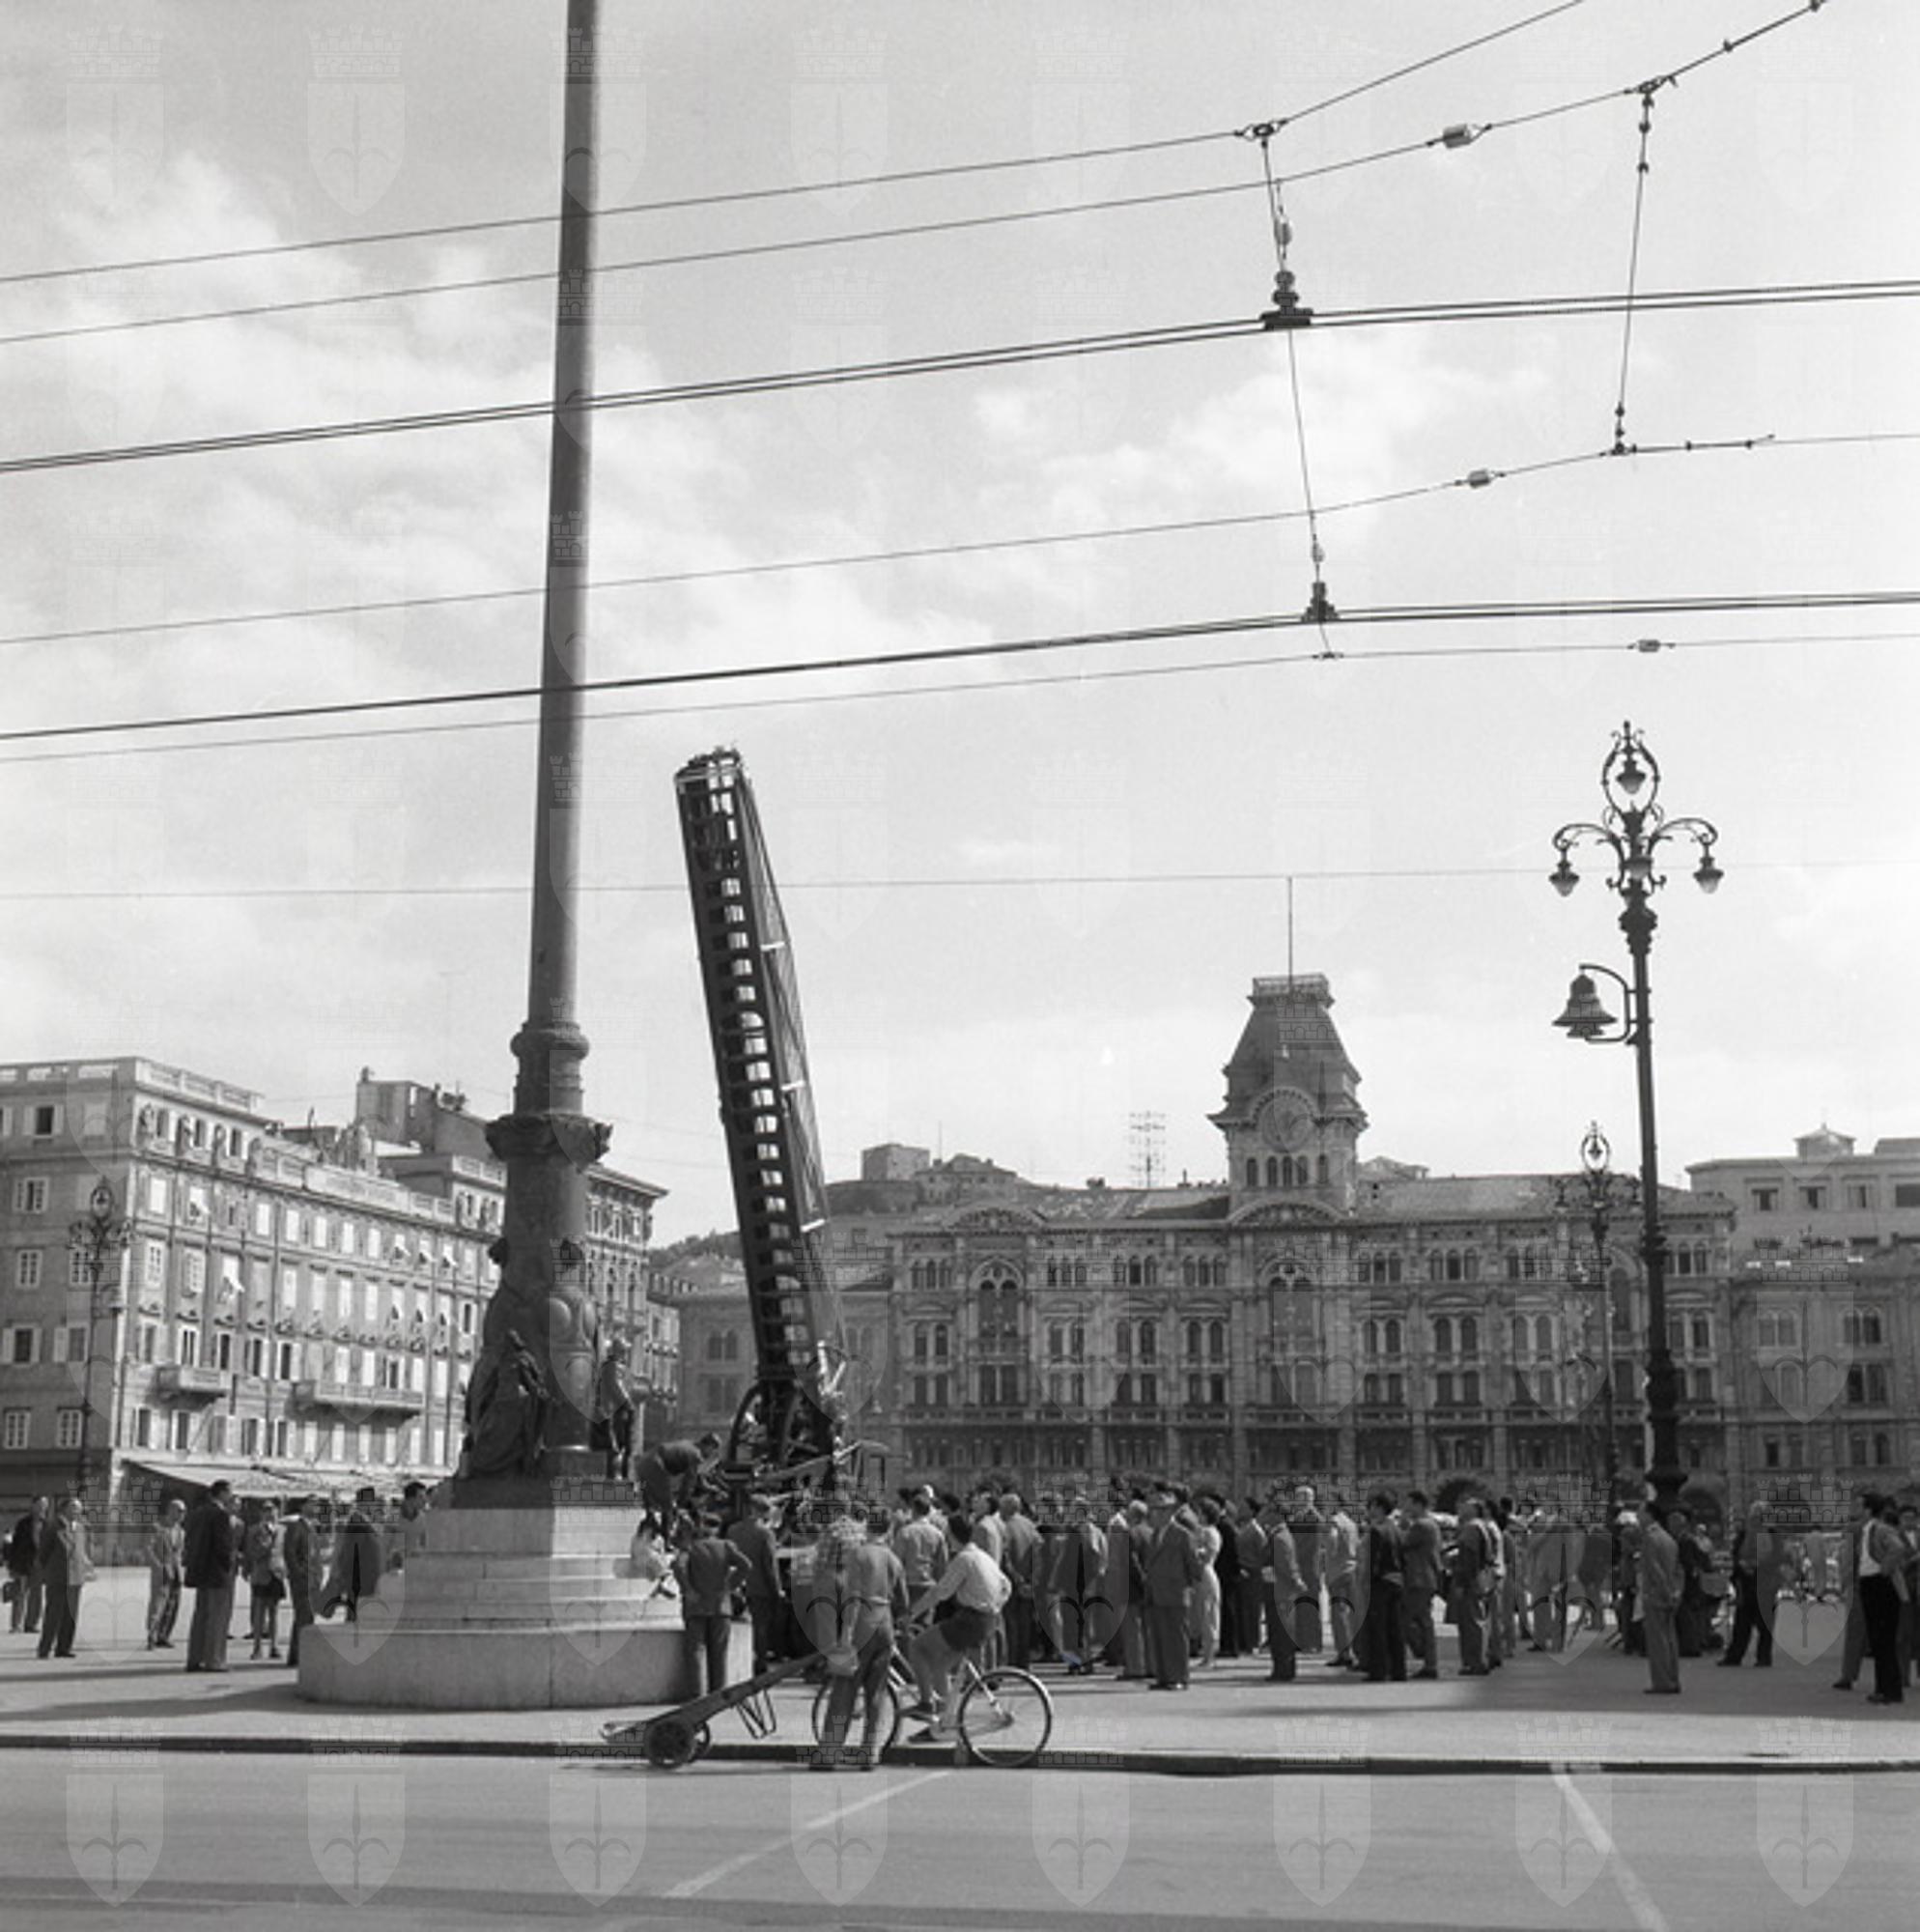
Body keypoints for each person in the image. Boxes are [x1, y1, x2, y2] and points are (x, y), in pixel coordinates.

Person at [813, 1506, 908, 1771]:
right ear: (889, 1529)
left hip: (861, 1625)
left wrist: (846, 1635)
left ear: (867, 1526)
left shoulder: (858, 1554)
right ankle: (870, 1752)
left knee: (843, 1692)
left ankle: (829, 1752)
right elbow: (903, 1601)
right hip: (885, 1624)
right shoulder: (893, 1559)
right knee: (876, 1694)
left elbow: (853, 1596)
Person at [907, 1519, 1011, 1740]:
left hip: (969, 1620)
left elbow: (941, 1592)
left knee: (918, 1647)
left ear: (951, 1536)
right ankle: (944, 1723)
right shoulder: (983, 1556)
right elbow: (1006, 1586)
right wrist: (993, 1607)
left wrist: (912, 1613)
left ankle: (926, 1704)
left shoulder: (963, 1559)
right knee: (940, 1667)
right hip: (987, 1620)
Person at [674, 1513, 749, 1700]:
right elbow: (746, 1565)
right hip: (720, 1605)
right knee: (719, 1652)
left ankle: (697, 1694)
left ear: (700, 1526)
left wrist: (688, 1589)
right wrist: (730, 1586)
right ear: (717, 1529)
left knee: (695, 1651)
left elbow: (678, 1566)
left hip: (696, 1606)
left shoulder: (691, 1547)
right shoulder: (726, 1546)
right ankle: (718, 1693)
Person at [1143, 1488, 1201, 1690]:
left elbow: (1193, 1564)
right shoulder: (1155, 1534)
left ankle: (1179, 1677)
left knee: (1176, 1638)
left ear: (1169, 1512)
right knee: (1159, 1637)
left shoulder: (1182, 1535)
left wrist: (1189, 1586)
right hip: (1157, 1592)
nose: (1154, 1514)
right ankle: (1163, 1676)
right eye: (1153, 1509)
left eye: (1159, 1510)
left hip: (1176, 1592)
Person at [1856, 1492, 1909, 1706]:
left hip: (1880, 1584)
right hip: (1870, 1583)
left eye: (1859, 1506)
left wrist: (1884, 1569)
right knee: (1877, 1640)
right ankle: (1884, 1687)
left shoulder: (1880, 1529)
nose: (1855, 1509)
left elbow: (1898, 1548)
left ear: (1869, 1510)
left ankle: (1890, 1690)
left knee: (1884, 1638)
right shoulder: (1867, 1530)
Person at [184, 1480, 240, 1673]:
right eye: (229, 1492)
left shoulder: (198, 1513)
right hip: (217, 1572)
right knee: (218, 1617)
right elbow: (223, 1546)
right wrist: (230, 1564)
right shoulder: (221, 1515)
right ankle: (214, 1660)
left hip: (200, 1571)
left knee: (201, 1615)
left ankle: (195, 1657)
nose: (231, 1496)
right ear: (222, 1493)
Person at [729, 1494, 785, 1675]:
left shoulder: (733, 1530)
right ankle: (760, 1663)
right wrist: (777, 1589)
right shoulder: (765, 1534)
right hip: (761, 1586)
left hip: (738, 1584)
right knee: (760, 1626)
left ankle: (741, 1661)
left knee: (741, 1624)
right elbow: (769, 1565)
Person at [1719, 1501, 1776, 1669]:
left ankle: (1763, 1657)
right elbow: (1736, 1554)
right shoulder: (1745, 1535)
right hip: (1747, 1583)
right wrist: (1740, 1567)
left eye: (1759, 1516)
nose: (1756, 1519)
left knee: (1763, 1624)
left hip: (1764, 1583)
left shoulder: (1772, 1535)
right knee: (1742, 1622)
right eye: (1754, 1516)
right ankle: (1735, 1656)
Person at [1358, 1491, 1406, 1683]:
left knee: (1377, 1628)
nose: (1368, 1510)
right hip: (1397, 1580)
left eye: (1370, 1506)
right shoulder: (1396, 1529)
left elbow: (1374, 1561)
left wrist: (1368, 1581)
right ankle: (1398, 1669)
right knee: (1395, 1627)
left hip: (1381, 1582)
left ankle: (1378, 1670)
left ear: (1378, 1507)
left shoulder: (1377, 1531)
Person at [635, 1434, 721, 1542]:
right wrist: (681, 1505)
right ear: (708, 1445)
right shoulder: (695, 1455)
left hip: (644, 1463)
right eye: (713, 1450)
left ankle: (647, 1532)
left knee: (653, 1505)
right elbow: (688, 1484)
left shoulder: (690, 1446)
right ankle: (667, 1541)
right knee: (668, 1507)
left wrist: (711, 1488)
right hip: (655, 1465)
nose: (712, 1454)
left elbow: (697, 1479)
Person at [1449, 1496, 1500, 1675]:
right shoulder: (1482, 1526)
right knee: (1478, 1619)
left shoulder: (1471, 1528)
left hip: (1471, 1580)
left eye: (1466, 1506)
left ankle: (1475, 1661)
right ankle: (1478, 1660)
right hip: (1482, 1578)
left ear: (1474, 1510)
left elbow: (1469, 1557)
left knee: (1471, 1622)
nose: (1461, 1508)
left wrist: (1462, 1581)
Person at [36, 1495, 91, 1659]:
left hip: (76, 1578)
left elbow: (82, 1551)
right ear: (64, 1509)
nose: (77, 1511)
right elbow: (43, 1553)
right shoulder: (53, 1527)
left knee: (70, 1615)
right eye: (73, 1507)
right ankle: (45, 1648)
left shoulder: (81, 1528)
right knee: (54, 1614)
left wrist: (87, 1568)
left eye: (79, 1508)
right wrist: (46, 1573)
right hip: (58, 1577)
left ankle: (64, 1648)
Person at [319, 1489, 384, 1622]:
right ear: (365, 1503)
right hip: (361, 1580)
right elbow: (351, 1552)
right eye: (373, 1502)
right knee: (356, 1618)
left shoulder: (363, 1521)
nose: (375, 1506)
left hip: (365, 1579)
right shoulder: (357, 1522)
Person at [1637, 1498, 1681, 1694]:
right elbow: (1677, 1570)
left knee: (1657, 1641)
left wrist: (1664, 1591)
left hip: (1655, 1594)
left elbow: (1655, 1569)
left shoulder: (1650, 1538)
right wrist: (1676, 1592)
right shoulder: (1668, 1538)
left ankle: (1662, 1681)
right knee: (1670, 1639)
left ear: (1649, 1515)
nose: (1638, 1516)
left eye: (1640, 1512)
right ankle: (1673, 1677)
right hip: (1670, 1593)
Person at [1260, 1493, 1306, 1682]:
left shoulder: (1280, 1537)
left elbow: (1286, 1564)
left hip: (1281, 1590)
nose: (1266, 1514)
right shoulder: (1276, 1535)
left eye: (1270, 1511)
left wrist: (1296, 1581)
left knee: (1282, 1632)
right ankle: (1281, 1667)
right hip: (1274, 1587)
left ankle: (1284, 1669)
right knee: (1276, 1630)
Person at [996, 1492, 1040, 1669]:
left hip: (1010, 1581)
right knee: (1025, 1622)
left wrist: (1017, 1579)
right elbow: (1040, 1552)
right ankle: (1024, 1660)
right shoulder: (1030, 1526)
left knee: (1010, 1622)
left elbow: (1005, 1557)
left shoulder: (1004, 1527)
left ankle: (1012, 1659)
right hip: (1029, 1580)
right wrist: (1032, 1578)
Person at [1400, 1490, 1443, 1679]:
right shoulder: (1431, 1524)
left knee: (1410, 1620)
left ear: (1418, 1504)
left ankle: (1425, 1656)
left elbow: (1402, 1543)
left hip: (1418, 1578)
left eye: (1409, 1503)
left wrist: (1402, 1525)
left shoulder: (1421, 1526)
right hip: (1427, 1577)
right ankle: (1428, 1660)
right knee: (1422, 1620)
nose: (1406, 1507)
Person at [244, 1501, 287, 1662]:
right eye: (266, 1511)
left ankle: (274, 1646)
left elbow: (285, 1551)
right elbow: (251, 1552)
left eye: (273, 1511)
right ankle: (257, 1648)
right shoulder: (254, 1530)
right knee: (259, 1611)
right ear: (261, 1514)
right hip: (260, 1573)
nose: (270, 1514)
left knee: (274, 1611)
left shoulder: (282, 1530)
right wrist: (267, 1547)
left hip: (277, 1574)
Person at [144, 1499, 186, 1650]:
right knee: (157, 1605)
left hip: (176, 1573)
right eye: (179, 1511)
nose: (182, 1514)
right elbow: (148, 1548)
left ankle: (164, 1636)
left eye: (183, 1512)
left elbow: (180, 1553)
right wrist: (157, 1566)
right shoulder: (157, 1528)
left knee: (172, 1605)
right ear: (170, 1510)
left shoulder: (181, 1531)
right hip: (161, 1572)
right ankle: (152, 1636)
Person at [595, 1339, 638, 1483]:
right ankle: (617, 1476)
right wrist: (628, 1404)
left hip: (616, 1410)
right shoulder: (613, 1366)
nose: (626, 1354)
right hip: (616, 1411)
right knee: (619, 1444)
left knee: (621, 1444)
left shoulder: (613, 1366)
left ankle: (619, 1475)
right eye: (624, 1351)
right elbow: (616, 1387)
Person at [282, 1497, 318, 1668]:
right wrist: (298, 1572)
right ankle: (300, 1655)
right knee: (304, 1615)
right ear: (303, 1506)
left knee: (306, 1616)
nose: (316, 1507)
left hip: (312, 1578)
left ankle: (299, 1653)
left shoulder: (312, 1527)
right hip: (302, 1578)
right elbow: (289, 1552)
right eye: (313, 1504)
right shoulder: (297, 1526)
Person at [8, 1496, 48, 1634]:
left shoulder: (48, 1524)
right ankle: (16, 1625)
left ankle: (31, 1624)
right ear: (33, 1506)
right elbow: (15, 1545)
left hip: (39, 1565)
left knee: (36, 1596)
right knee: (19, 1595)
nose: (42, 1507)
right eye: (39, 1504)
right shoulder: (23, 1524)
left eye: (44, 1505)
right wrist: (12, 1565)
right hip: (22, 1564)